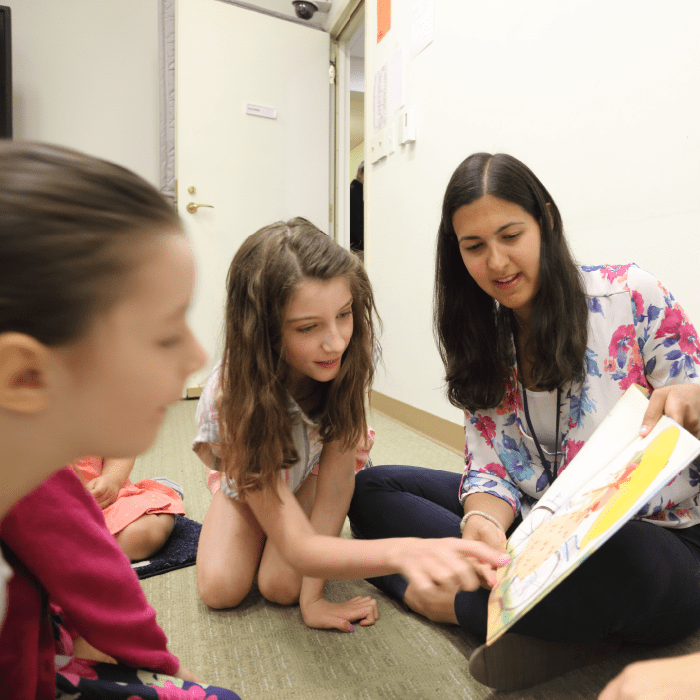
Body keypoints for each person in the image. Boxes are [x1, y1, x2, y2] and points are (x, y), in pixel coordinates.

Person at [348, 152, 700, 690]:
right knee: (371, 489)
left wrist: (691, 397)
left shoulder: (630, 295)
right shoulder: (481, 339)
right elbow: (488, 469)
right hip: (538, 527)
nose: (496, 262)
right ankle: (532, 613)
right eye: (474, 247)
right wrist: (481, 528)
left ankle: (461, 606)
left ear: (547, 223)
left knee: (616, 558)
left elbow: (692, 391)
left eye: (511, 235)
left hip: (660, 537)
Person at [0, 141, 239, 699]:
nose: (198, 356)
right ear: (26, 376)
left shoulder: (32, 468)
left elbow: (99, 580)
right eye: (164, 334)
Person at [193, 217, 507, 634]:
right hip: (252, 480)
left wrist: (313, 599)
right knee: (220, 590)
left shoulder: (345, 359)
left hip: (308, 473)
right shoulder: (232, 396)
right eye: (308, 328)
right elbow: (299, 547)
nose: (336, 342)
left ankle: (281, 525)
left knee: (281, 587)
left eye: (344, 315)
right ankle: (254, 515)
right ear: (263, 332)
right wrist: (405, 552)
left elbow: (338, 482)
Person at [70, 456, 184, 561]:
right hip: (60, 523)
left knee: (143, 533)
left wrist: (112, 479)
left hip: (107, 502)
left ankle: (160, 496)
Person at [349, 162, 364, 256]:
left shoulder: (358, 192)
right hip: (356, 249)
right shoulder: (353, 193)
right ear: (359, 173)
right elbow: (356, 225)